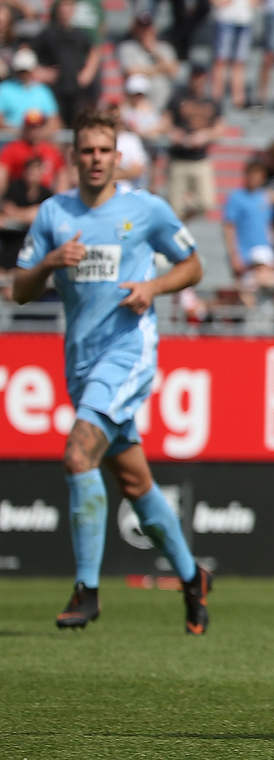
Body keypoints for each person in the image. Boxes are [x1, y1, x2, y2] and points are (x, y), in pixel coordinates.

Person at [10, 108, 212, 634]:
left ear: (118, 158)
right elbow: (19, 291)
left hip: (129, 353)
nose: (96, 159)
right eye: (87, 151)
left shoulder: (146, 210)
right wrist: (50, 263)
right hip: (80, 361)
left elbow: (193, 267)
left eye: (105, 151)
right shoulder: (54, 214)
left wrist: (152, 288)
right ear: (74, 157)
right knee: (133, 481)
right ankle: (193, 578)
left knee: (79, 454)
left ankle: (87, 589)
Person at [222, 160, 274, 301]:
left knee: (265, 289)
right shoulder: (237, 197)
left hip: (264, 251)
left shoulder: (264, 197)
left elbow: (269, 227)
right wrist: (234, 254)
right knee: (249, 291)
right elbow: (229, 227)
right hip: (246, 253)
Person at [164, 64, 223, 220]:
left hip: (200, 158)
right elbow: (166, 122)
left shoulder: (212, 101)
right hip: (179, 158)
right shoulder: (178, 97)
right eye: (195, 77)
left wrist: (205, 135)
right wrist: (175, 134)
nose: (197, 81)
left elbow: (220, 128)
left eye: (200, 77)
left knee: (207, 202)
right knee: (175, 208)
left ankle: (182, 221)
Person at [0, 47, 58, 128]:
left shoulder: (42, 90)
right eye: (21, 71)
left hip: (37, 138)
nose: (24, 75)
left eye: (26, 71)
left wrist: (38, 134)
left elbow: (54, 121)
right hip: (10, 139)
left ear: (33, 70)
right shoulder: (4, 89)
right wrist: (20, 134)